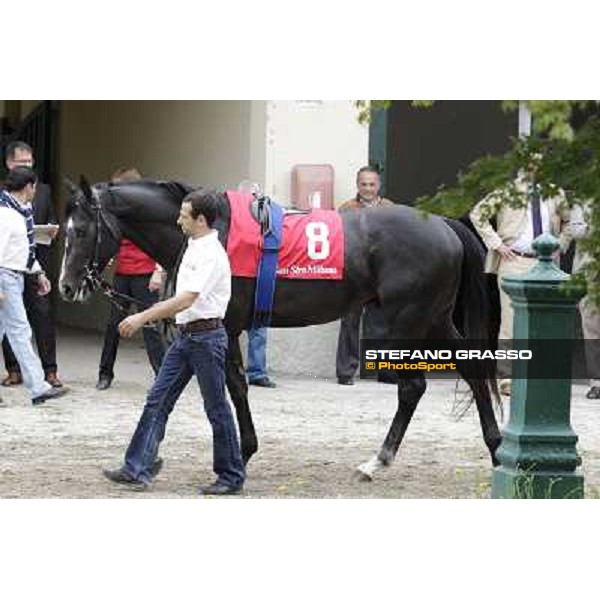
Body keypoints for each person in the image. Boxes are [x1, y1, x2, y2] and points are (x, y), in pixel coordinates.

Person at [103, 189, 245, 494]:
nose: (178, 219)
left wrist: (143, 317)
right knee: (158, 400)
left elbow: (186, 299)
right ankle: (136, 467)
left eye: (184, 214)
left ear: (201, 220)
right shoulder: (193, 245)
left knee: (216, 408)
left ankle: (232, 475)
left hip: (206, 338)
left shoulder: (210, 253)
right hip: (188, 337)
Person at [470, 155, 571, 397]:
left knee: (544, 320)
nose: (534, 167)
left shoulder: (556, 193)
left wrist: (560, 244)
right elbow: (478, 214)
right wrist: (496, 244)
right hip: (514, 260)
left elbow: (570, 222)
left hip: (545, 264)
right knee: (511, 321)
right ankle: (507, 378)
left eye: (539, 163)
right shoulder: (507, 191)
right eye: (529, 162)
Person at [0, 166, 69, 406]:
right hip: (6, 277)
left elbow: (23, 250)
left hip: (15, 274)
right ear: (28, 186)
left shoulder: (20, 211)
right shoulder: (7, 215)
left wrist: (38, 272)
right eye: (34, 187)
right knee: (20, 331)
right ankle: (38, 387)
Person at [96, 167, 167, 390]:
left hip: (145, 275)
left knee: (150, 325)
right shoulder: (118, 212)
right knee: (113, 325)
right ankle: (104, 374)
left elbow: (162, 243)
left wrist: (158, 271)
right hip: (123, 274)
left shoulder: (148, 212)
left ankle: (162, 376)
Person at [335, 166, 395, 386]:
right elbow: (337, 242)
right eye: (364, 184)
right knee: (349, 322)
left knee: (383, 324)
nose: (368, 188)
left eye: (372, 184)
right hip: (353, 276)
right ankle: (346, 371)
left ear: (378, 186)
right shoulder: (346, 209)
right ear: (357, 185)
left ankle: (385, 371)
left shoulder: (390, 209)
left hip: (381, 275)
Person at [571, 202, 600, 399]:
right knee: (592, 328)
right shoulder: (583, 200)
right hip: (590, 273)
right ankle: (597, 382)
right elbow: (577, 231)